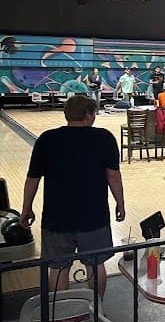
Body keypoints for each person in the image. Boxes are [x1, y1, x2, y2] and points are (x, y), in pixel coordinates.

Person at [20, 95, 125, 297]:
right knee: (95, 264)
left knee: (58, 269)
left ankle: (60, 315)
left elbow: (32, 178)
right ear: (88, 115)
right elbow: (113, 176)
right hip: (94, 217)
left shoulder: (47, 139)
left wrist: (26, 208)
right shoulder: (104, 138)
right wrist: (120, 204)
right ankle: (96, 310)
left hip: (56, 218)